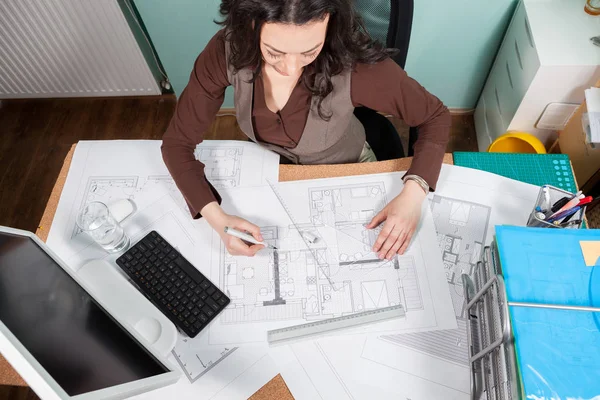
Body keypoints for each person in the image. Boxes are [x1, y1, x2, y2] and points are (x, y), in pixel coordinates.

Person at [162, 0, 450, 261]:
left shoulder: (354, 62)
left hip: (346, 169)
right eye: (274, 52)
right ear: (250, 23)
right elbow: (177, 144)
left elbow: (435, 115)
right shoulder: (229, 48)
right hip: (275, 172)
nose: (290, 68)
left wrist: (414, 193)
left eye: (309, 51)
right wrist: (218, 219)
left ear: (330, 21)